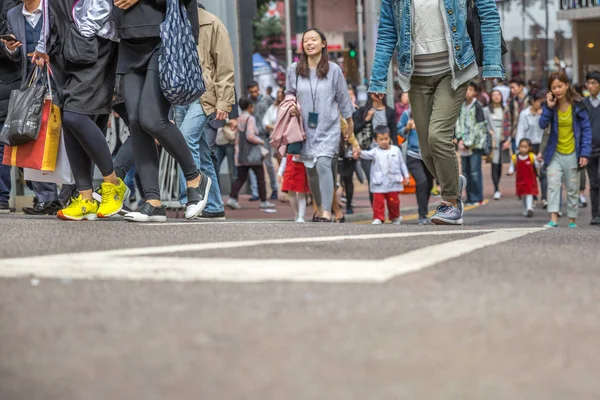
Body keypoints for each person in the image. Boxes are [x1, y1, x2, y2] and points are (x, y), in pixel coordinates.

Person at [368, 0, 503, 225]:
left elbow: (488, 13)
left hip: (453, 71)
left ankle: (451, 202)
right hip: (416, 76)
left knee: (438, 137)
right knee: (426, 149)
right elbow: (387, 32)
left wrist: (492, 62)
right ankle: (452, 181)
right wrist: (378, 79)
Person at [113, 0, 211, 222]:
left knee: (152, 119)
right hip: (127, 41)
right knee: (136, 122)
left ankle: (195, 178)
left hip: (165, 37)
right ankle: (153, 201)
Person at [32, 0, 128, 221]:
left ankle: (112, 183)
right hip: (63, 46)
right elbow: (48, 9)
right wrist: (42, 45)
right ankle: (85, 197)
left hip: (91, 43)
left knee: (76, 116)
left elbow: (102, 5)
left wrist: (83, 33)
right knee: (67, 118)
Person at [174, 4, 235, 221]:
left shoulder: (213, 23)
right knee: (200, 151)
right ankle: (215, 206)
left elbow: (225, 67)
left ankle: (191, 198)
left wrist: (224, 102)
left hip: (204, 95)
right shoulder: (173, 21)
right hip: (179, 95)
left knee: (184, 141)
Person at [287, 28, 354, 223]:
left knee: (323, 164)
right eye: (306, 40)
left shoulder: (333, 70)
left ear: (323, 43)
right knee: (311, 170)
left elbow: (343, 98)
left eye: (314, 40)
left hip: (329, 127)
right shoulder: (294, 70)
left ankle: (326, 211)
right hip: (304, 129)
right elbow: (289, 93)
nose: (309, 43)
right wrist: (292, 105)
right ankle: (318, 207)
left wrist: (349, 124)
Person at [538, 71, 592, 228]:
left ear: (567, 85)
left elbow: (586, 130)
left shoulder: (578, 105)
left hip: (573, 153)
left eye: (560, 86)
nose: (557, 90)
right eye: (553, 87)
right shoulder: (550, 106)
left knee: (572, 187)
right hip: (554, 153)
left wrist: (584, 153)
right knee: (553, 185)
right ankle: (553, 219)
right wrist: (548, 107)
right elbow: (542, 124)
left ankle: (572, 220)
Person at [355, 125, 410, 225]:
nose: (384, 142)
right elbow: (365, 154)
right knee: (378, 202)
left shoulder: (396, 150)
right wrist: (358, 152)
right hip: (379, 183)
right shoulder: (375, 152)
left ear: (389, 138)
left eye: (386, 139)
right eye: (381, 139)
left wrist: (406, 176)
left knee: (394, 202)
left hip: (394, 182)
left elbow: (402, 163)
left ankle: (395, 217)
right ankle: (378, 217)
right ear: (376, 140)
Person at [226, 98, 275, 210]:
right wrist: (261, 141)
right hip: (252, 154)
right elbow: (250, 136)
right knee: (260, 177)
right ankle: (263, 201)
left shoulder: (239, 118)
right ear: (249, 106)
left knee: (241, 177)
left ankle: (232, 198)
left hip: (241, 153)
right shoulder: (250, 118)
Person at [353, 93, 397, 203]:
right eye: (374, 92)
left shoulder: (389, 111)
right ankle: (376, 211)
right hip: (368, 150)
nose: (377, 94)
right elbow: (354, 130)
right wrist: (367, 119)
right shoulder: (362, 111)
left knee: (387, 180)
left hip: (386, 151)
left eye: (380, 91)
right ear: (370, 94)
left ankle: (386, 208)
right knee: (372, 179)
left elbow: (394, 132)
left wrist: (396, 150)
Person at [0, 0, 20, 213]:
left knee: (10, 144)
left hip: (11, 83)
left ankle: (47, 195)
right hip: (10, 82)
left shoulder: (12, 10)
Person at [398, 107, 434, 225]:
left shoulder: (432, 111)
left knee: (429, 184)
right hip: (412, 154)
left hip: (429, 155)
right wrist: (407, 128)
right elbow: (399, 130)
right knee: (422, 181)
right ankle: (422, 214)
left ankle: (424, 209)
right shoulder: (407, 113)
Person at [455, 82, 487, 205]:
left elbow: (480, 127)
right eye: (466, 89)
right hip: (463, 144)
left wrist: (470, 142)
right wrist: (459, 138)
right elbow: (458, 123)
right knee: (466, 172)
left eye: (471, 89)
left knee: (475, 172)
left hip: (475, 146)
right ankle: (468, 196)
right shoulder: (461, 106)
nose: (467, 92)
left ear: (475, 92)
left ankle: (477, 197)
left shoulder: (477, 106)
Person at [515, 91, 547, 206]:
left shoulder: (544, 113)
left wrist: (543, 115)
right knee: (531, 173)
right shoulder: (525, 114)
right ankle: (533, 197)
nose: (541, 105)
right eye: (539, 102)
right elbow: (520, 130)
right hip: (529, 146)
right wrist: (519, 149)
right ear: (533, 101)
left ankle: (544, 198)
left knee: (543, 171)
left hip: (541, 145)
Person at [247, 81, 278, 201]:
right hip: (253, 137)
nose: (254, 94)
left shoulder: (267, 100)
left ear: (258, 89)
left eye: (255, 91)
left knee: (269, 163)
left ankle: (274, 188)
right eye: (251, 92)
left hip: (265, 136)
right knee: (253, 163)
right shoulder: (248, 102)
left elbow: (274, 110)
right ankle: (255, 192)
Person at [503, 77, 530, 174]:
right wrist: (507, 137)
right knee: (518, 159)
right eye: (510, 88)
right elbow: (507, 120)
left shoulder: (530, 100)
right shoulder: (510, 102)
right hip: (515, 135)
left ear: (521, 87)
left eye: (513, 87)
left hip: (528, 135)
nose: (511, 90)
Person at [583, 70, 600, 225]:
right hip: (590, 148)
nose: (591, 85)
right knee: (593, 182)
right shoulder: (584, 103)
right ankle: (595, 214)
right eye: (589, 82)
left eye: (594, 82)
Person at [484, 89, 507, 200]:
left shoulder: (505, 109)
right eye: (494, 95)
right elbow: (485, 123)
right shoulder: (487, 110)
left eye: (498, 95)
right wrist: (489, 131)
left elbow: (508, 123)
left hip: (502, 139)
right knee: (494, 164)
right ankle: (496, 189)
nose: (496, 97)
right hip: (492, 140)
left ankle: (498, 187)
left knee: (500, 164)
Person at [512, 138, 541, 217]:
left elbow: (537, 165)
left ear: (529, 148)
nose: (523, 149)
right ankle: (525, 209)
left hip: (530, 179)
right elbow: (512, 166)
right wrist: (510, 171)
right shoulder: (515, 157)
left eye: (525, 147)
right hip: (520, 180)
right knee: (523, 195)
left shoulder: (532, 156)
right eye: (521, 147)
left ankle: (529, 208)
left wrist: (539, 162)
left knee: (529, 193)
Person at [278, 154, 310, 222]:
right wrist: (280, 172)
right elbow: (284, 158)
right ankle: (297, 213)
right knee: (290, 193)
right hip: (289, 166)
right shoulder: (287, 146)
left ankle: (301, 216)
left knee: (301, 192)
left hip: (302, 164)